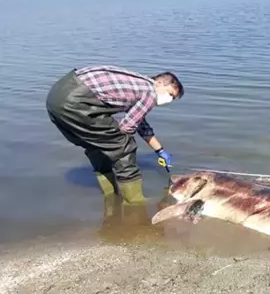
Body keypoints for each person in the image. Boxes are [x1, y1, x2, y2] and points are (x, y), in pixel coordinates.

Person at [46, 65, 183, 207]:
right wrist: (122, 148)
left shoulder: (136, 84)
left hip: (58, 97)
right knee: (124, 145)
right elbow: (127, 127)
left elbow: (140, 123)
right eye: (170, 94)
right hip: (77, 100)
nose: (169, 99)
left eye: (173, 98)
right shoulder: (150, 92)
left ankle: (111, 197)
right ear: (159, 83)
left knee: (96, 146)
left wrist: (160, 151)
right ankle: (135, 204)